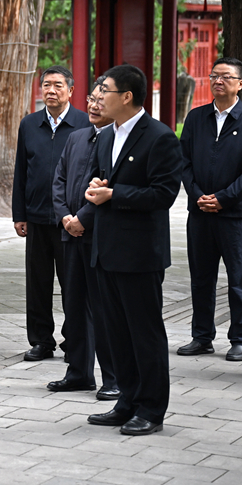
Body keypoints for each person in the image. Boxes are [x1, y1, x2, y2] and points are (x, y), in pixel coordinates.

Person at [84, 64, 181, 436]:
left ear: (126, 96)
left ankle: (152, 409)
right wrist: (97, 187)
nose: (98, 97)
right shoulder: (107, 135)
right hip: (106, 249)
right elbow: (101, 179)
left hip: (139, 254)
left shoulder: (159, 137)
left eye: (104, 90)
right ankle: (127, 401)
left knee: (145, 333)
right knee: (116, 332)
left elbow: (163, 194)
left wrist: (114, 194)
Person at [177, 58, 242, 362]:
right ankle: (202, 337)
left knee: (239, 280)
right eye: (214, 75)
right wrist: (197, 195)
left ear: (240, 84)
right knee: (201, 279)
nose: (218, 81)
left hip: (234, 215)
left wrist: (224, 198)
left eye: (226, 76)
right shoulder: (196, 117)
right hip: (199, 212)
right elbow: (183, 162)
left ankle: (241, 340)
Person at [13, 67, 92, 361]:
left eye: (58, 85)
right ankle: (41, 340)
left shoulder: (84, 123)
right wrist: (19, 214)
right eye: (46, 85)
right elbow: (21, 171)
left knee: (73, 283)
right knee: (37, 283)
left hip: (70, 220)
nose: (51, 90)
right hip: (36, 217)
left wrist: (82, 216)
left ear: (70, 90)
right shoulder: (29, 124)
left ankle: (74, 340)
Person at [50, 78, 119, 400]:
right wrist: (65, 217)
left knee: (104, 310)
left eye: (101, 101)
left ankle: (113, 378)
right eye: (91, 99)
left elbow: (110, 187)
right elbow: (59, 180)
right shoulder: (76, 137)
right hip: (71, 235)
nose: (93, 105)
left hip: (100, 238)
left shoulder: (118, 140)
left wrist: (82, 219)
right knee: (74, 306)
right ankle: (78, 373)